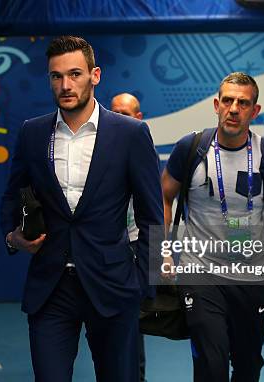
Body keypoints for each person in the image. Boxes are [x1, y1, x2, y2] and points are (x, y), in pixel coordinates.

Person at [1, 36, 163, 382]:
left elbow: (152, 214)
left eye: (75, 74)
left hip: (114, 286)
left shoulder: (131, 134)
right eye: (56, 76)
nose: (65, 84)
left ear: (95, 75)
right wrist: (13, 237)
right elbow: (11, 197)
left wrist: (143, 285)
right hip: (51, 288)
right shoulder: (32, 133)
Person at [160, 72, 264, 381]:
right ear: (216, 104)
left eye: (243, 103)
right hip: (200, 273)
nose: (234, 108)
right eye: (227, 101)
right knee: (211, 365)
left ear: (255, 110)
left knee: (248, 366)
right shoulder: (191, 148)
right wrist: (164, 251)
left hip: (251, 278)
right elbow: (164, 197)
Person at [110, 92, 147, 382]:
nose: (117, 119)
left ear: (138, 118)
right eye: (113, 113)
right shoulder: (96, 150)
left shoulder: (142, 151)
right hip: (101, 251)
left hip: (132, 249)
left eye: (124, 114)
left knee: (132, 324)